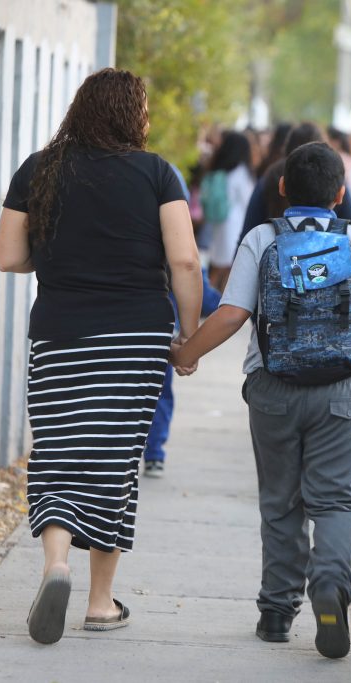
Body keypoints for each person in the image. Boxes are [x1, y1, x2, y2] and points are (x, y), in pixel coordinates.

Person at [171, 142, 351, 659]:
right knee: (337, 500)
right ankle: (329, 583)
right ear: (341, 195)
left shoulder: (262, 238)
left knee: (281, 504)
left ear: (281, 188)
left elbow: (233, 315)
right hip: (345, 393)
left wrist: (186, 353)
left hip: (274, 391)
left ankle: (277, 614)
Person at [0, 68, 202, 645]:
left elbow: (10, 258)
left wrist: (64, 250)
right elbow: (184, 262)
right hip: (134, 338)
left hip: (59, 331)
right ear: (133, 115)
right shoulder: (157, 173)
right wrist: (187, 337)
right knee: (112, 462)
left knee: (58, 451)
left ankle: (55, 566)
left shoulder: (39, 169)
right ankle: (99, 601)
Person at [141, 163, 223, 477]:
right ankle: (155, 452)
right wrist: (191, 343)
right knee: (159, 394)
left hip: (124, 322)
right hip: (163, 332)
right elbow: (197, 282)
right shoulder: (178, 242)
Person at [238, 123, 351, 245]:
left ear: (282, 186)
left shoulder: (269, 178)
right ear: (340, 194)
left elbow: (247, 233)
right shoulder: (334, 179)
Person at [203, 131, 254, 291]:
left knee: (218, 268)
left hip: (220, 224)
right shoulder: (241, 172)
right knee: (230, 270)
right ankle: (218, 303)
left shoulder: (221, 170)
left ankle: (208, 299)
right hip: (235, 226)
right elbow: (248, 201)